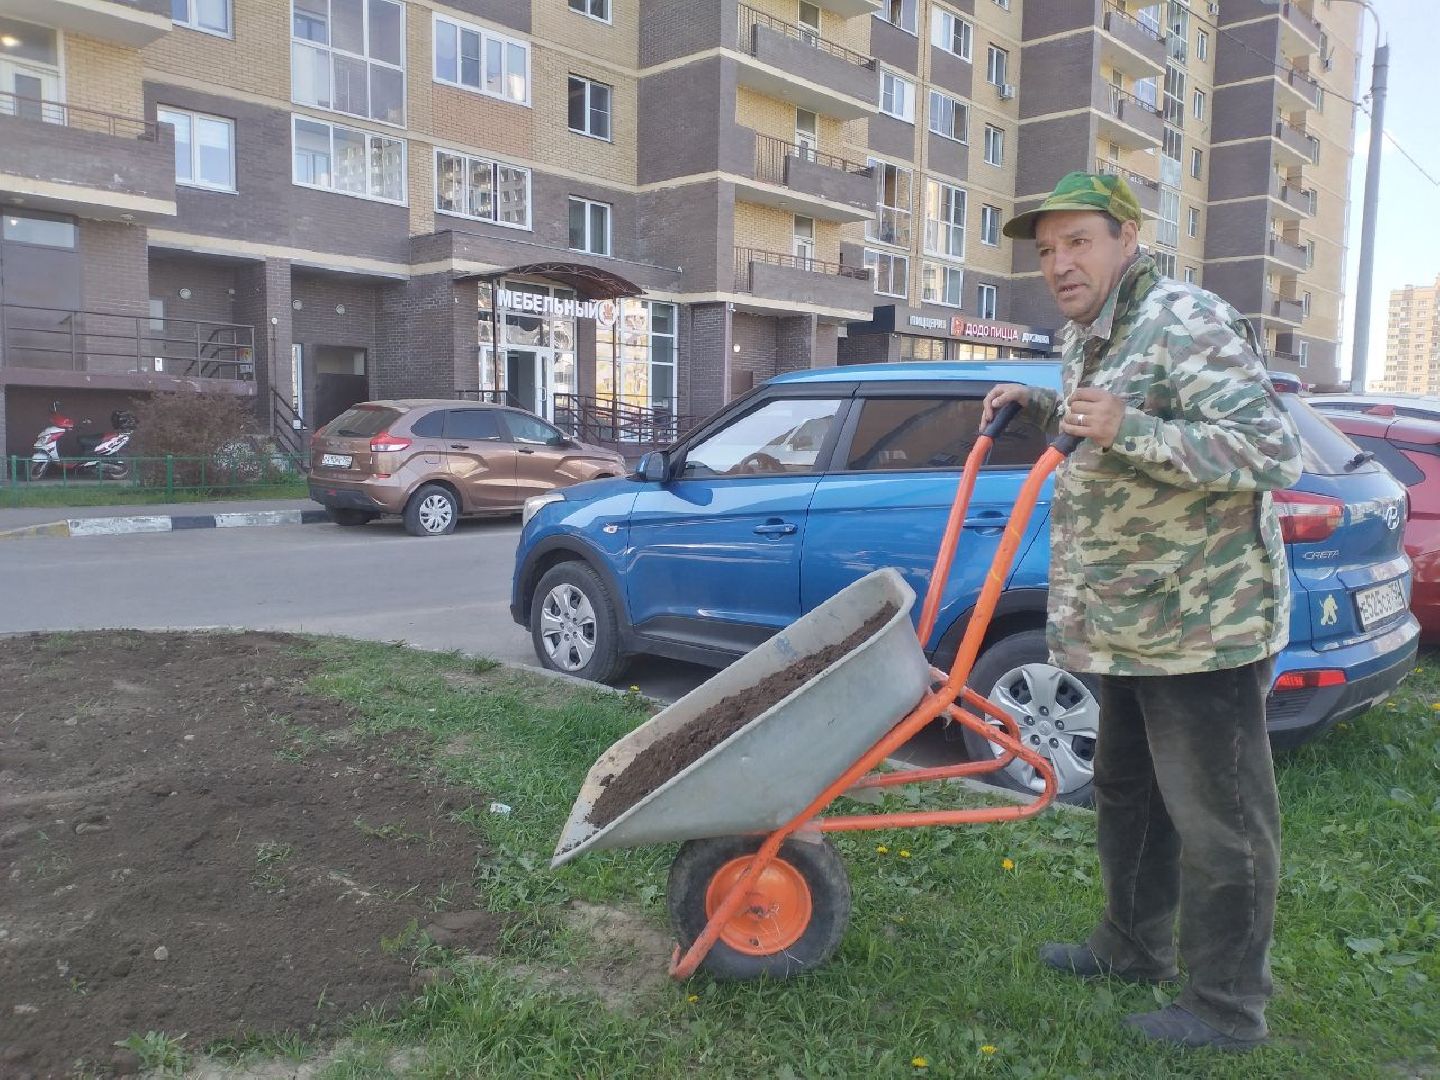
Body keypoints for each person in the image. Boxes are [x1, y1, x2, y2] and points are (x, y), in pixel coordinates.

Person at [981, 171, 1302, 1051]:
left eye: (1078, 241)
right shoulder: (1090, 334)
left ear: (1127, 234)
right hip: (1122, 620)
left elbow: (1274, 452)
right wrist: (1041, 404)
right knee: (1128, 792)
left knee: (1221, 820)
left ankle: (1228, 1008)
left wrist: (1134, 430)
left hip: (1202, 627)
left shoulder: (1187, 319)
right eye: (1047, 250)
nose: (1059, 263)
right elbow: (1108, 420)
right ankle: (1130, 946)